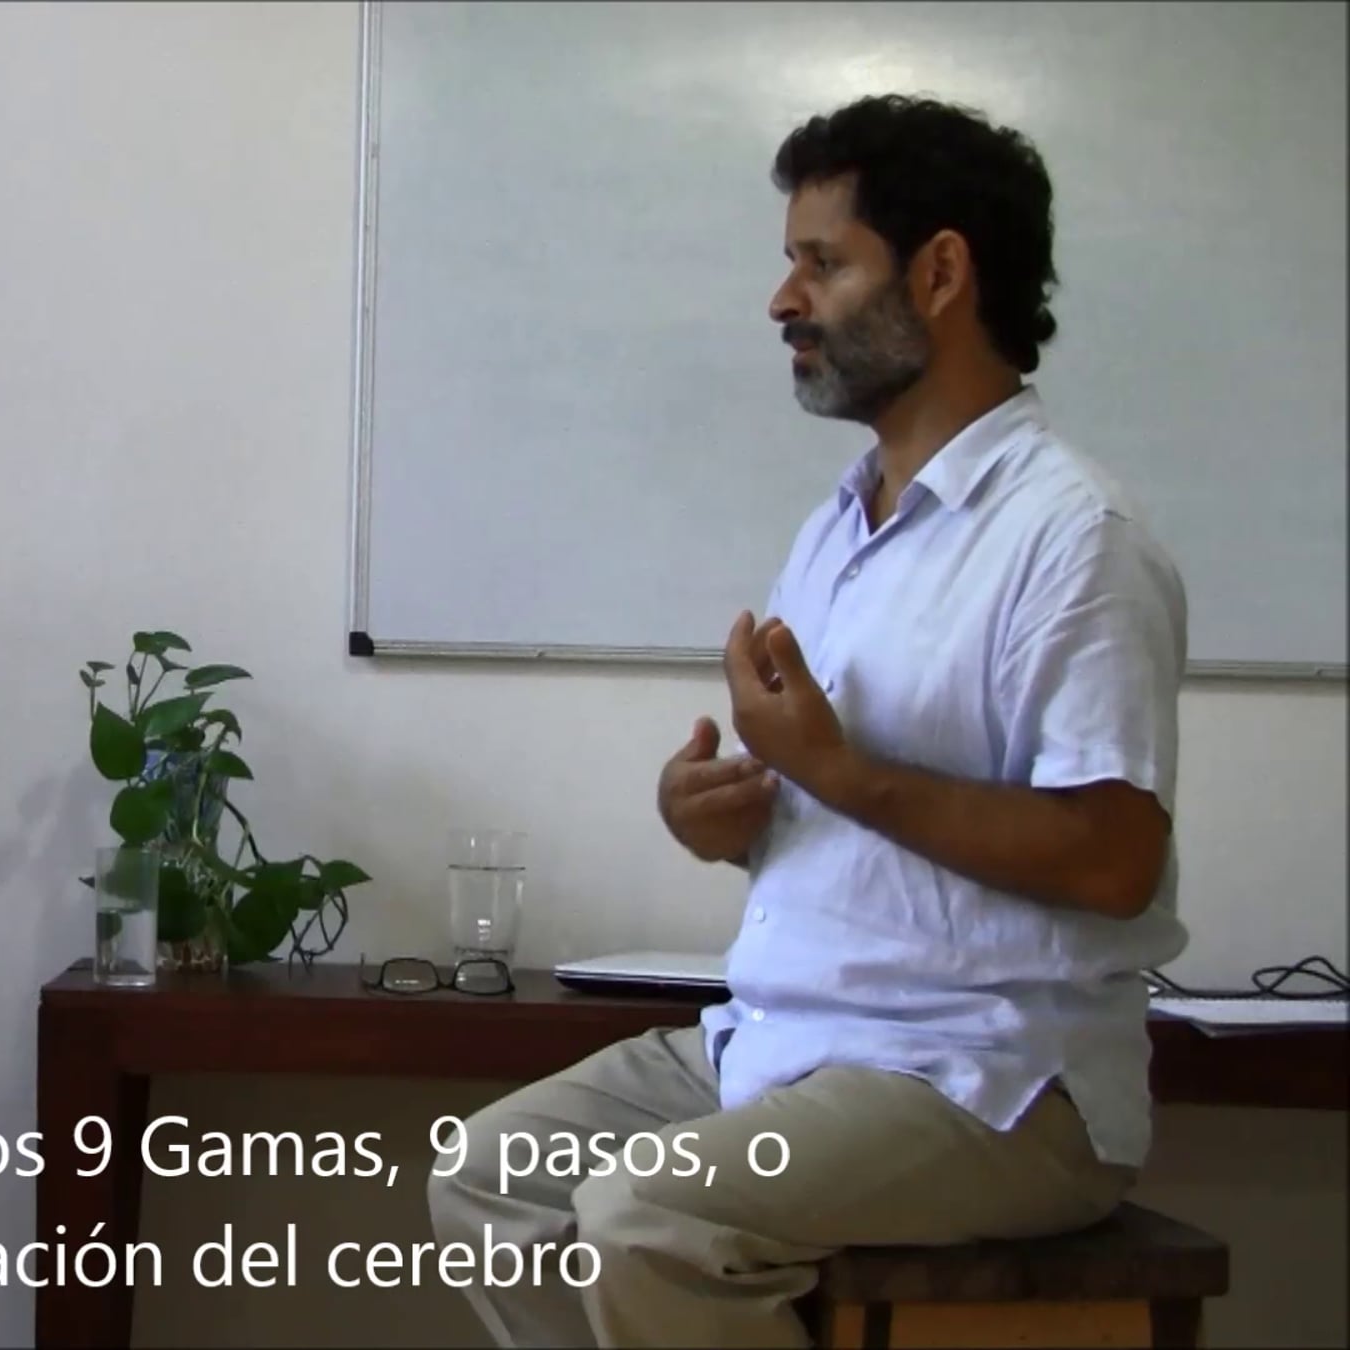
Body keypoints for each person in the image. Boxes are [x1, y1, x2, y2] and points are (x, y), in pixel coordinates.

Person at [428, 94, 1190, 1347]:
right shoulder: (839, 528)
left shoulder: (1075, 539)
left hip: (989, 1080)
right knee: (489, 1175)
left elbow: (1114, 862)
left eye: (822, 263)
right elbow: (826, 807)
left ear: (940, 273)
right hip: (785, 1041)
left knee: (647, 1213)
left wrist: (837, 772)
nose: (783, 300)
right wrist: (726, 817)